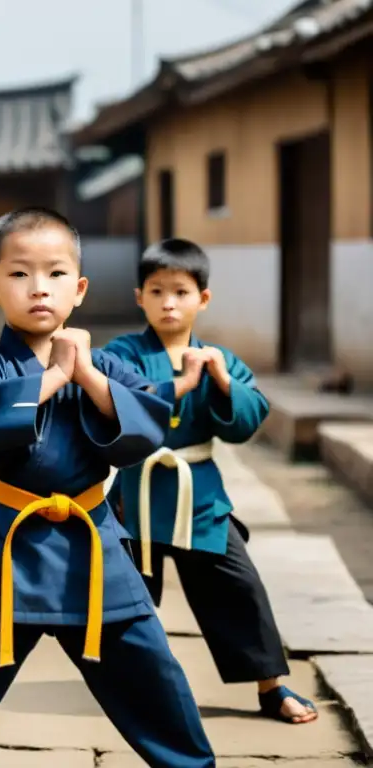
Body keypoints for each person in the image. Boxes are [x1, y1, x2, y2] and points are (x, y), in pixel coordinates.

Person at [0, 208, 214, 768]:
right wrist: (55, 375)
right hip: (4, 549)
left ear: (79, 288)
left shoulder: (103, 365)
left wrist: (83, 373)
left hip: (94, 547)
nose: (39, 288)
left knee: (151, 671)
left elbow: (149, 424)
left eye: (56, 274)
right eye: (19, 274)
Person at [104, 238, 317, 725]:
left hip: (200, 498)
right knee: (127, 600)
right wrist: (176, 386)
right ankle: (133, 687)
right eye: (157, 291)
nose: (168, 302)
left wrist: (222, 381)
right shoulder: (121, 353)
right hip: (135, 499)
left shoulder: (221, 357)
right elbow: (113, 400)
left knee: (241, 590)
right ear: (140, 297)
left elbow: (246, 421)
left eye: (181, 291)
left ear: (203, 298)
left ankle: (270, 686)